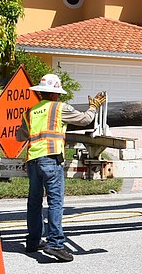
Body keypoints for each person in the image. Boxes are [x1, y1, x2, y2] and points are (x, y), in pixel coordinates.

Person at [16, 74, 106, 262]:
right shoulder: (60, 108)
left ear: (40, 92)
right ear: (56, 94)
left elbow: (20, 136)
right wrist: (93, 107)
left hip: (33, 161)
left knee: (34, 203)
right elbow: (84, 120)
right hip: (51, 160)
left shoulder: (31, 111)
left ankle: (33, 241)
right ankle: (55, 243)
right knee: (55, 202)